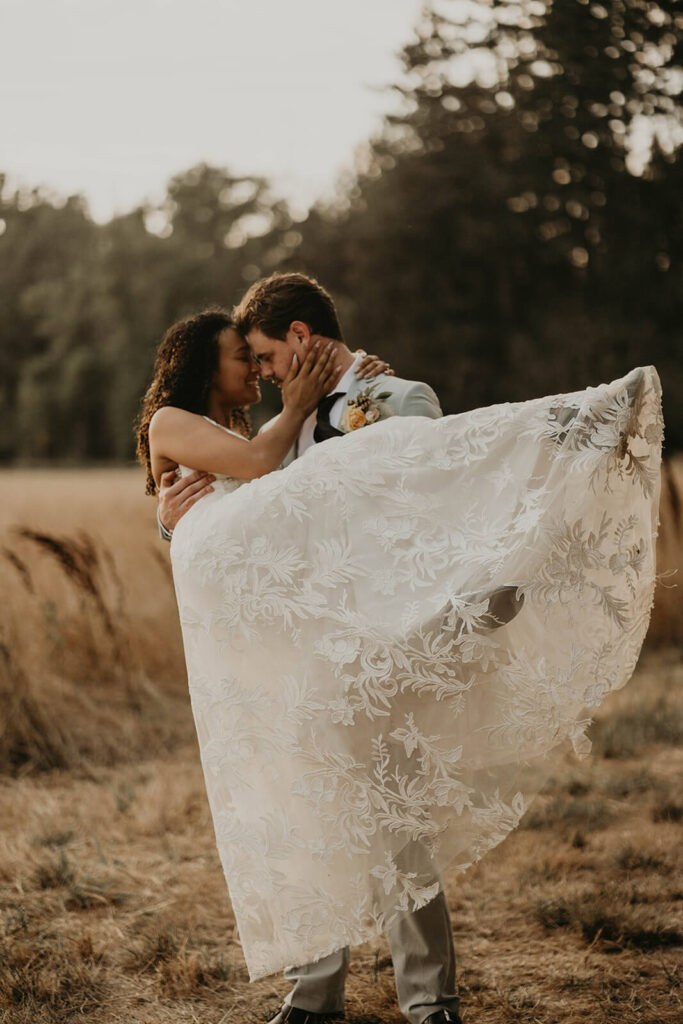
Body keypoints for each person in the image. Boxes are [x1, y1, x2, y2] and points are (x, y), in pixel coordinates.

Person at [137, 274, 662, 1024]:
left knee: (394, 819)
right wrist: (170, 523)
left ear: (298, 339)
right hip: (298, 655)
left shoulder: (394, 399)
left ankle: (428, 999)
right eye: (243, 361)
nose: (260, 373)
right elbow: (247, 511)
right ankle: (313, 998)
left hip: (379, 651)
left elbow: (433, 492)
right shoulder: (265, 435)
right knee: (310, 814)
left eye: (263, 356)